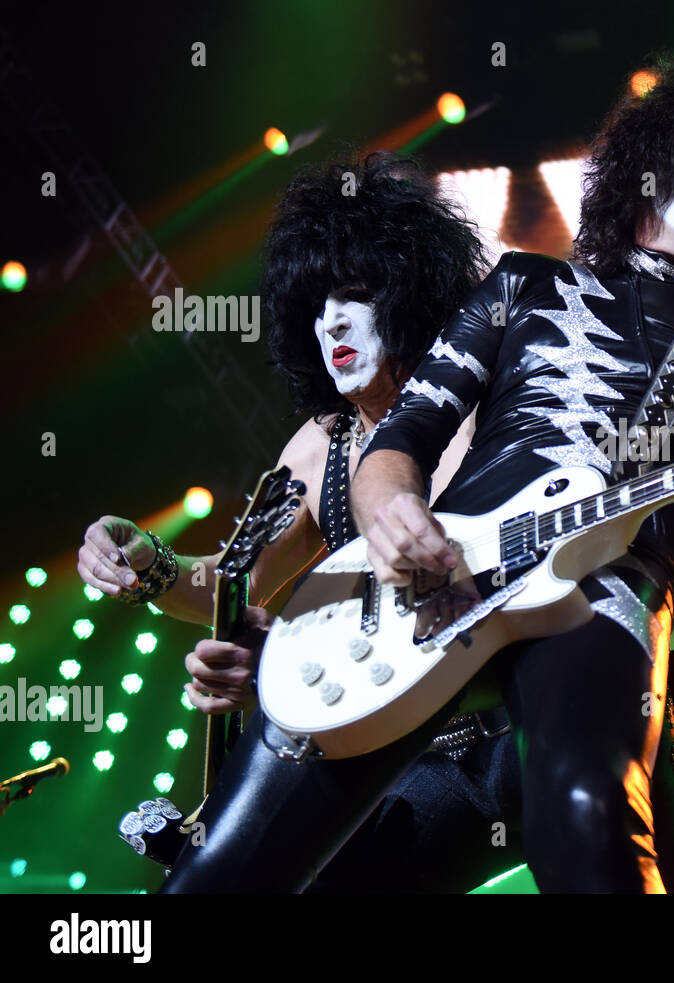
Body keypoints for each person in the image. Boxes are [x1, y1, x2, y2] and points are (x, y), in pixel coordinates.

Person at [351, 47, 674, 892]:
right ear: (648, 166)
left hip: (602, 617)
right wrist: (392, 508)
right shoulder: (522, 284)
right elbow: (406, 433)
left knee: (587, 815)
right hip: (441, 636)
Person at [77, 152, 524, 891]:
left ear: (411, 293)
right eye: (316, 305)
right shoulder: (320, 447)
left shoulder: (499, 414)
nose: (333, 321)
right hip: (394, 762)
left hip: (515, 730)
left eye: (355, 293)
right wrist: (146, 560)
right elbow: (229, 583)